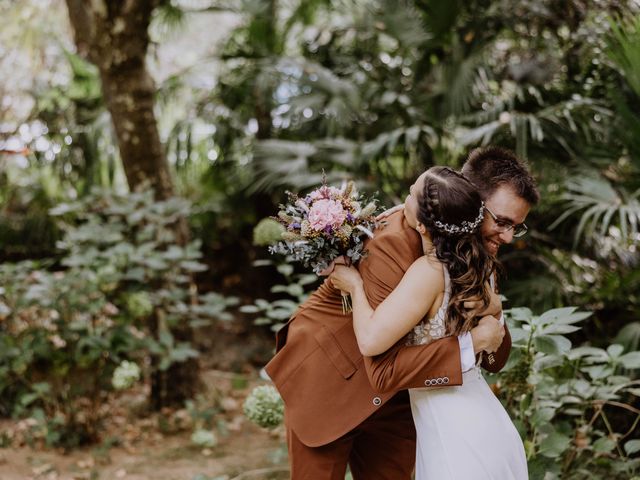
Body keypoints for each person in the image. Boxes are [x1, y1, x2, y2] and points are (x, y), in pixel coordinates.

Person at [265, 146, 538, 479]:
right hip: (330, 381)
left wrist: (494, 310)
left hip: (402, 403)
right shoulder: (390, 242)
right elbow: (383, 361)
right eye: (503, 222)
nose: (508, 237)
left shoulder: (476, 256)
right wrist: (472, 342)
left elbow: (495, 358)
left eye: (516, 227)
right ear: (473, 203)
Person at [330, 165, 527, 479]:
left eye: (410, 195)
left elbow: (369, 341)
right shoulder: (475, 265)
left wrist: (354, 287)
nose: (403, 200)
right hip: (485, 424)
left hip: (457, 435)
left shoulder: (429, 271)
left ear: (421, 224)